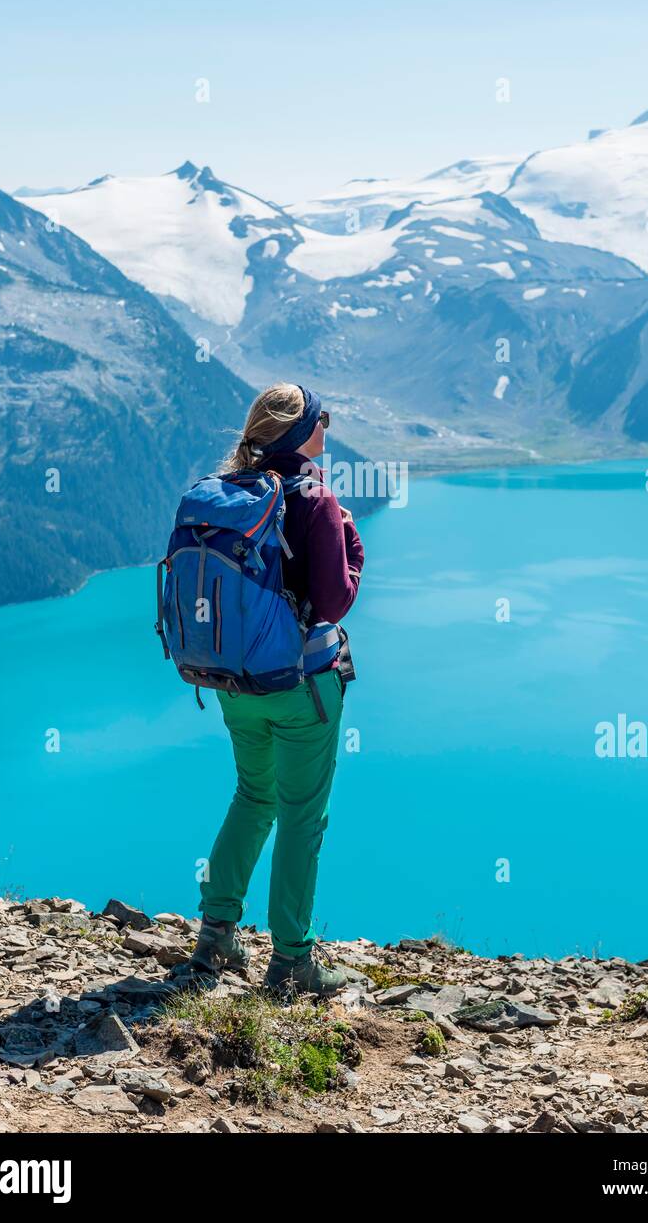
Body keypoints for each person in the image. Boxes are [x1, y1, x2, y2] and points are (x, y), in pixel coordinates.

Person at [182, 383, 364, 997]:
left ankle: (215, 935)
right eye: (322, 421)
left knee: (253, 796)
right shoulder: (313, 497)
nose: (326, 430)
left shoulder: (230, 492)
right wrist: (354, 553)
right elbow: (335, 600)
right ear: (302, 432)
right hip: (302, 686)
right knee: (302, 814)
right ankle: (291, 962)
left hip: (234, 682)